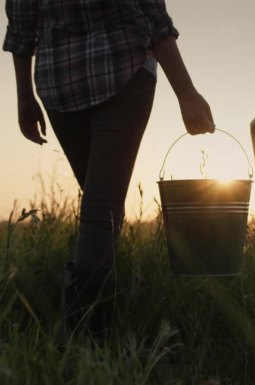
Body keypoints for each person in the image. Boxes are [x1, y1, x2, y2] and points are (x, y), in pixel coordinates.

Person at [4, 0, 215, 335]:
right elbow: (151, 14)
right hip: (113, 71)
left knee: (100, 206)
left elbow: (21, 26)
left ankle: (97, 315)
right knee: (101, 207)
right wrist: (186, 92)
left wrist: (25, 96)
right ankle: (85, 337)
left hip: (71, 81)